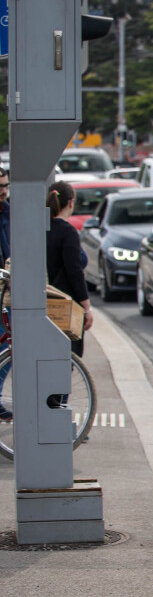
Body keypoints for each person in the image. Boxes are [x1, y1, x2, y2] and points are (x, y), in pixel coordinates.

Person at [46, 181, 93, 358]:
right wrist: (87, 307)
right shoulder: (68, 232)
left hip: (45, 303)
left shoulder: (41, 229)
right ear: (71, 202)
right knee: (68, 359)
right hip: (66, 306)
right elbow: (74, 272)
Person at [0, 169, 11, 420]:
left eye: (5, 186)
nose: (3, 190)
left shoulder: (10, 211)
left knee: (9, 346)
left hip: (6, 289)